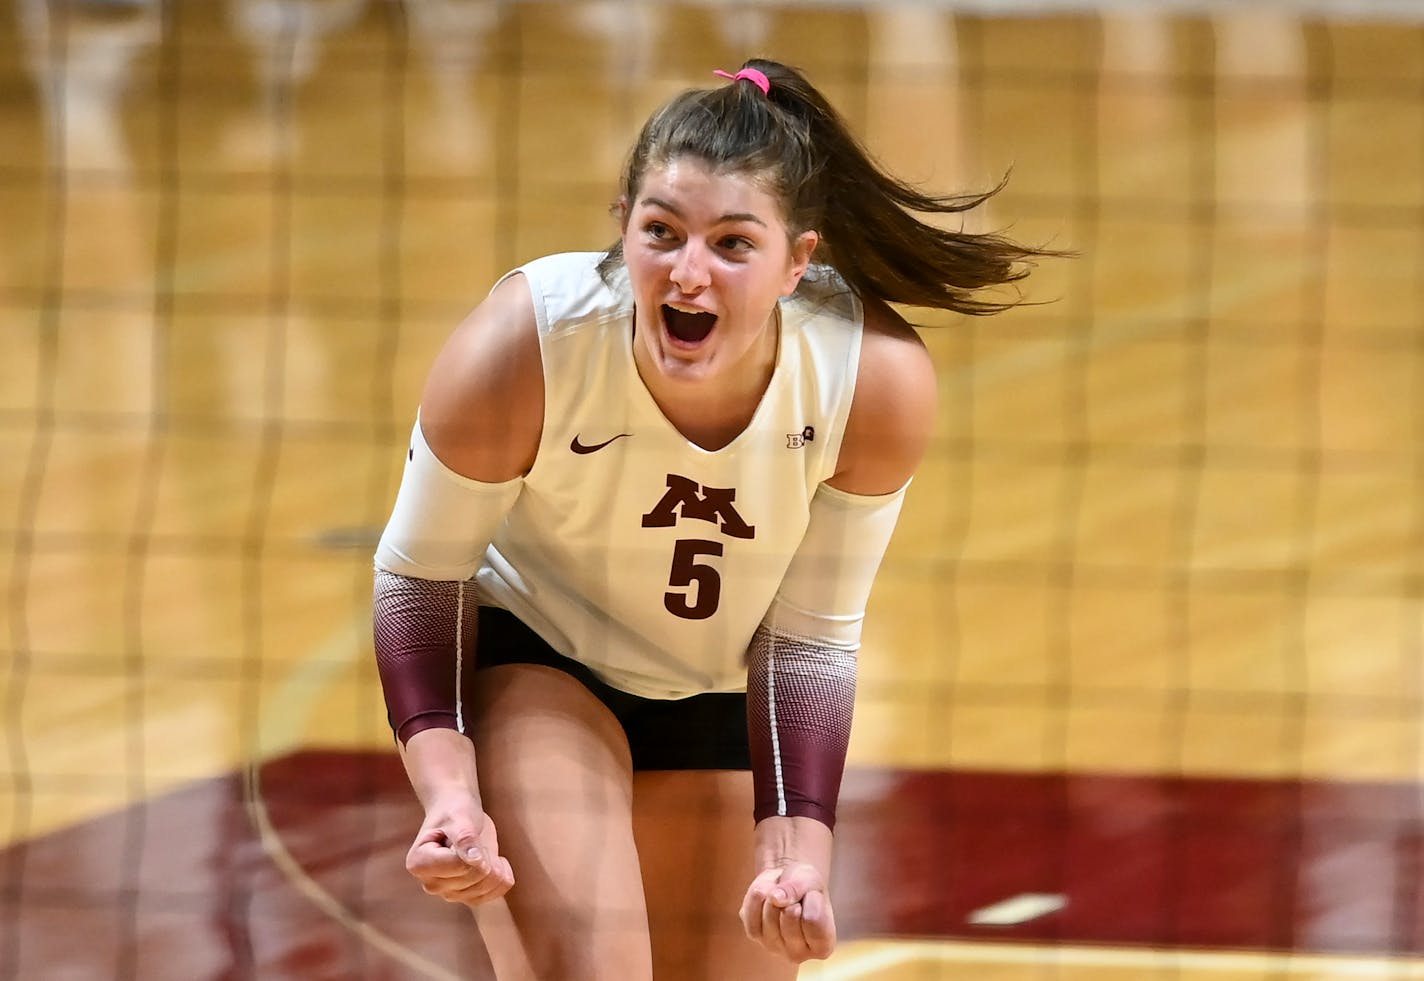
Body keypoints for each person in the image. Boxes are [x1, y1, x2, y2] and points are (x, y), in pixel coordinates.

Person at [371, 58, 1057, 980]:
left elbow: (810, 639)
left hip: (722, 695)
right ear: (623, 226)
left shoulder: (871, 379)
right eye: (662, 232)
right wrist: (450, 792)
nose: (688, 273)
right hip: (542, 662)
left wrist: (796, 859)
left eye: (733, 244)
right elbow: (421, 574)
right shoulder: (524, 346)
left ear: (797, 262)